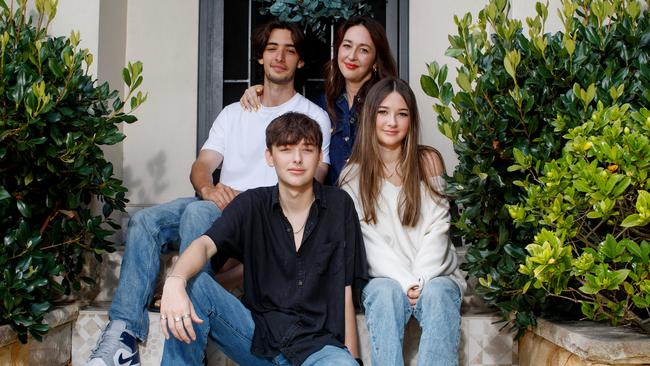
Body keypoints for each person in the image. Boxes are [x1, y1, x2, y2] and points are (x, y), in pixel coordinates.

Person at [87, 20, 332, 366]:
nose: (280, 56)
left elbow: (313, 183)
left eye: (290, 50)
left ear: (300, 62)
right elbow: (202, 164)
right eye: (272, 48)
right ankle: (123, 335)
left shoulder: (313, 117)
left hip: (261, 211)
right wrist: (208, 188)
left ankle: (190, 336)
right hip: (221, 199)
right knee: (145, 221)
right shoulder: (235, 112)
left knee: (199, 214)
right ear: (260, 58)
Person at [159, 112, 368, 366]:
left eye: (307, 149)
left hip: (319, 348)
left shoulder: (339, 205)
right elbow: (204, 244)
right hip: (258, 340)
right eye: (286, 149)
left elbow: (344, 289)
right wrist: (174, 281)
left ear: (319, 156)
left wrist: (354, 358)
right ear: (270, 157)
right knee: (192, 284)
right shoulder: (251, 204)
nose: (297, 159)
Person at [339, 77, 466, 366]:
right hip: (384, 276)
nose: (392, 122)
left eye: (402, 114)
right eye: (383, 112)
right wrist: (406, 282)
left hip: (434, 273)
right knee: (383, 294)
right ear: (370, 116)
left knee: (440, 294)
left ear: (411, 119)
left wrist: (420, 279)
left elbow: (439, 226)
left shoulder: (428, 161)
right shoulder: (352, 174)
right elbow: (366, 240)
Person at [240, 16, 397, 185]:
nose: (352, 56)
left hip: (374, 203)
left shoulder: (388, 103)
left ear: (375, 60)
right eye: (347, 46)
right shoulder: (322, 104)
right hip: (331, 206)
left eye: (364, 50)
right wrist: (260, 91)